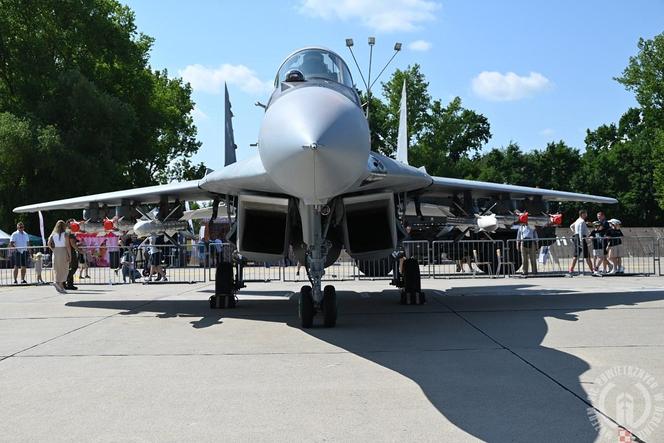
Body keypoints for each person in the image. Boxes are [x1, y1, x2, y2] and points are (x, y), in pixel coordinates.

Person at [47, 220, 71, 294]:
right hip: (63, 251)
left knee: (57, 268)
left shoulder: (53, 234)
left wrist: (53, 249)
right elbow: (67, 245)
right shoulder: (65, 234)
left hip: (56, 251)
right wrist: (70, 255)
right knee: (64, 269)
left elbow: (49, 243)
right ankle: (58, 282)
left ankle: (60, 286)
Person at [569, 209, 595, 274]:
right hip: (581, 238)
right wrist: (581, 240)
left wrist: (575, 232)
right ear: (582, 214)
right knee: (587, 255)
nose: (586, 215)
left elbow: (571, 226)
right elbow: (580, 231)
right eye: (585, 213)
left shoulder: (578, 220)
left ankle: (571, 269)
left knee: (576, 255)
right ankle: (592, 270)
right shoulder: (582, 221)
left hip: (577, 237)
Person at [65, 220, 79, 290]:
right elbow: (72, 243)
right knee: (74, 266)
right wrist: (79, 250)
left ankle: (68, 283)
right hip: (70, 251)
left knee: (68, 268)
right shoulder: (70, 232)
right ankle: (66, 280)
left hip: (66, 251)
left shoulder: (65, 231)